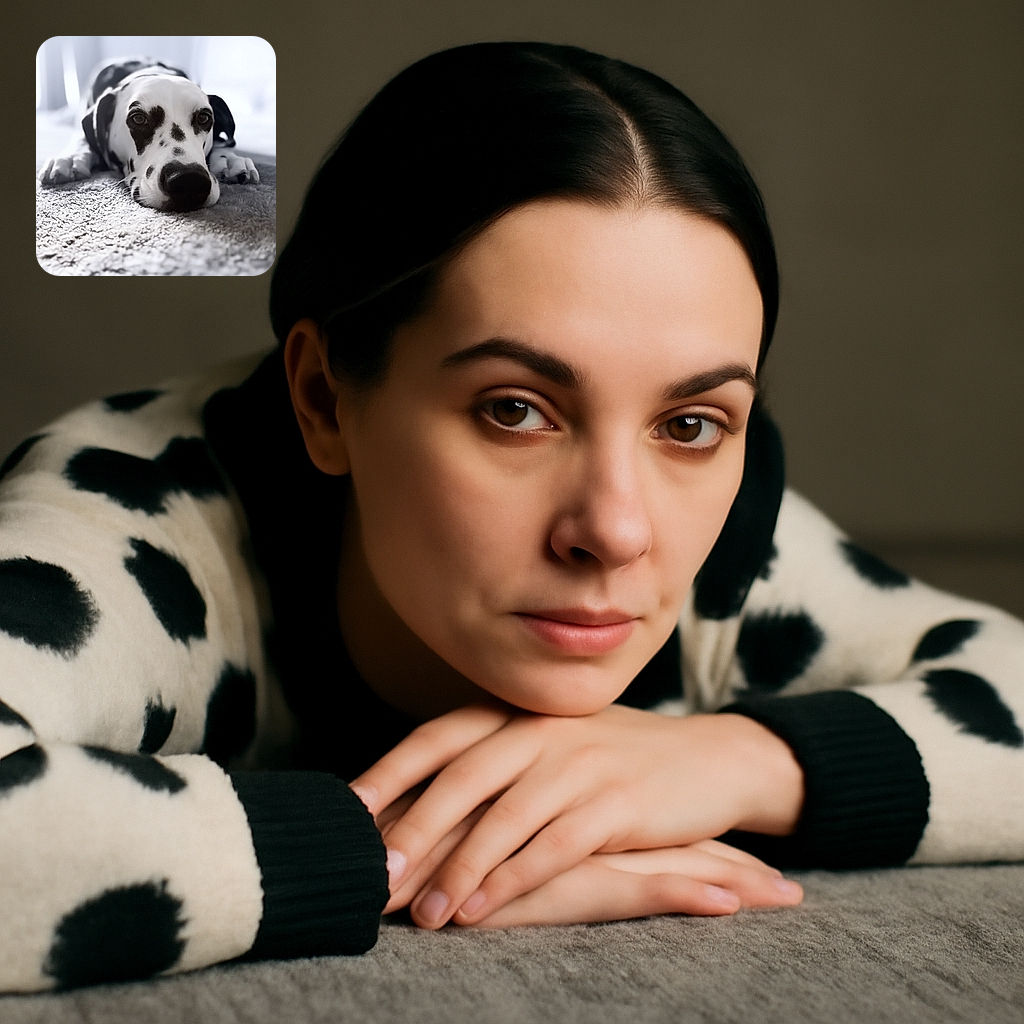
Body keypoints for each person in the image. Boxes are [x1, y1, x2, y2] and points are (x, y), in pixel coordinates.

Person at [2, 41, 1022, 993]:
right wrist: (398, 854)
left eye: (692, 421)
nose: (617, 530)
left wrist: (735, 761)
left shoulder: (726, 540)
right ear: (322, 399)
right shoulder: (137, 525)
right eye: (515, 410)